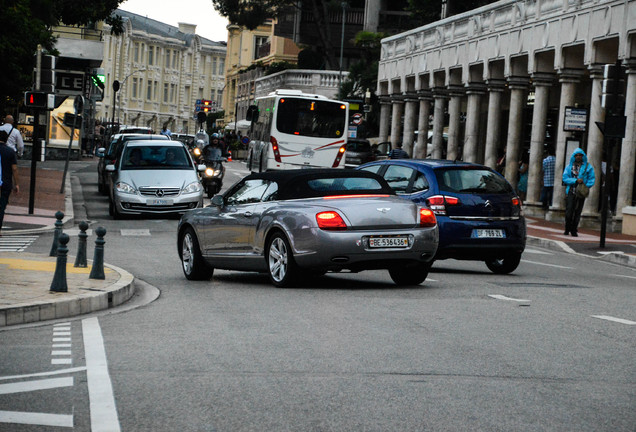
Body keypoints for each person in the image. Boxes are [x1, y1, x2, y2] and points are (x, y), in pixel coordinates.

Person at [562, 147, 595, 237]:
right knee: (569, 212)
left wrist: (586, 185)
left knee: (577, 211)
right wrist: (575, 181)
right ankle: (567, 227)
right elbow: (565, 178)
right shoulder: (569, 167)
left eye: (580, 155)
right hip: (571, 191)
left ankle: (574, 229)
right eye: (577, 155)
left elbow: (592, 178)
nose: (578, 157)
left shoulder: (588, 167)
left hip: (580, 193)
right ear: (574, 156)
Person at [0, 130, 20, 236]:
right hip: (5, 182)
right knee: (1, 206)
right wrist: (16, 184)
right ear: (6, 139)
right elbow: (14, 169)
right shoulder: (10, 151)